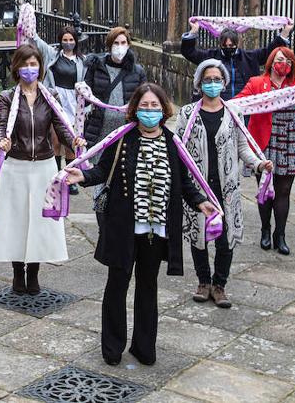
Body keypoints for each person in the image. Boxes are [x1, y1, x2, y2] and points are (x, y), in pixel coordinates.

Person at [64, 83, 215, 367]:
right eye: (144, 106)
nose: (149, 111)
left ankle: (144, 348)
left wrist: (200, 202)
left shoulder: (172, 142)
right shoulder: (123, 138)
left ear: (163, 109)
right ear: (135, 109)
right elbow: (101, 170)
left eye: (154, 106)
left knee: (148, 287)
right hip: (123, 228)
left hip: (156, 232)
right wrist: (81, 177)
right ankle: (112, 348)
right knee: (117, 285)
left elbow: (184, 181)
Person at [176, 60, 271, 308]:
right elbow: (178, 148)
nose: (212, 84)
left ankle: (220, 285)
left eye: (217, 79)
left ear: (224, 82)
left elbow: (242, 147)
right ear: (199, 83)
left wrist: (259, 164)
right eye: (207, 80)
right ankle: (203, 282)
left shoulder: (234, 113)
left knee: (225, 238)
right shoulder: (187, 113)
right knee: (198, 236)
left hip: (226, 187)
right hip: (197, 188)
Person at [0, 44, 84, 293]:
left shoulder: (48, 95)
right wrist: (2, 141)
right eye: (25, 64)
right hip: (16, 166)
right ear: (16, 67)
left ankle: (34, 272)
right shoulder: (7, 97)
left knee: (40, 223)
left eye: (34, 64)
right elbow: (1, 125)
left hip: (43, 165)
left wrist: (73, 139)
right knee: (17, 221)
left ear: (40, 67)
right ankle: (17, 272)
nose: (29, 69)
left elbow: (61, 125)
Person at [236, 47, 295, 256]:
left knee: (284, 192)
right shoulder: (257, 83)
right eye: (279, 59)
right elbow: (240, 103)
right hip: (263, 144)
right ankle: (265, 230)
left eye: (288, 60)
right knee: (265, 190)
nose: (283, 63)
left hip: (291, 143)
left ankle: (280, 234)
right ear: (270, 62)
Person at [180, 19, 293, 100]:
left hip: (244, 106)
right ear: (220, 44)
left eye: (231, 45)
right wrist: (193, 32)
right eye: (226, 45)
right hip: (219, 105)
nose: (229, 48)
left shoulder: (250, 57)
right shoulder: (211, 56)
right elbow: (189, 53)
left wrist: (285, 33)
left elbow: (269, 52)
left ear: (237, 44)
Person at [34, 28, 86, 194]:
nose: (68, 43)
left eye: (71, 40)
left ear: (76, 41)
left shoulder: (82, 61)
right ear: (60, 40)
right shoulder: (53, 54)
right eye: (65, 39)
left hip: (74, 103)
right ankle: (56, 175)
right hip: (56, 100)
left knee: (71, 141)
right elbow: (37, 42)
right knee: (55, 139)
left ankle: (70, 178)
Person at [81, 27, 147, 145]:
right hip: (99, 129)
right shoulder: (96, 67)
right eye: (116, 43)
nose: (119, 46)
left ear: (128, 45)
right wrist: (81, 93)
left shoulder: (138, 72)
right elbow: (85, 99)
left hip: (126, 130)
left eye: (123, 43)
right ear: (109, 45)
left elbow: (144, 101)